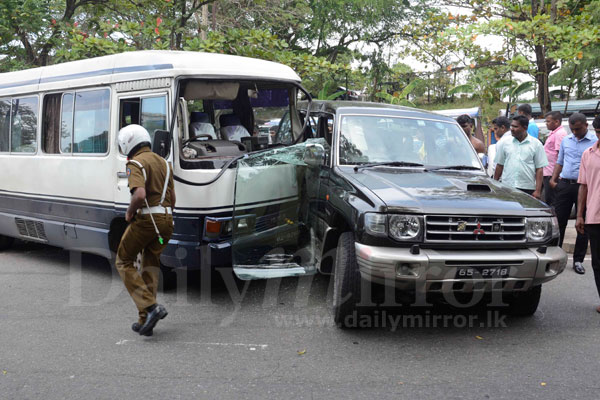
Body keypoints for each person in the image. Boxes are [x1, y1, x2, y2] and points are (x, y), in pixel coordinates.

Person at [116, 124, 176, 336]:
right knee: (150, 262)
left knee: (123, 260)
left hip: (147, 221)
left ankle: (150, 307)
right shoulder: (164, 163)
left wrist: (130, 212)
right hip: (167, 222)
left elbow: (139, 194)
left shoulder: (135, 163)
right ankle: (145, 320)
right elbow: (173, 199)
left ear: (127, 144)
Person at [550, 113, 598, 274]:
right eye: (572, 129)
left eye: (577, 129)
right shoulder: (566, 140)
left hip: (584, 187)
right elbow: (560, 161)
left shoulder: (594, 142)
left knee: (582, 224)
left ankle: (578, 260)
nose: (575, 132)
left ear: (586, 125)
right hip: (565, 184)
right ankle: (556, 257)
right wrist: (554, 179)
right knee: (559, 222)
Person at [575, 115, 600, 312]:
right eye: (598, 133)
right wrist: (580, 215)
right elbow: (583, 185)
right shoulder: (588, 154)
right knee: (598, 263)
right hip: (594, 215)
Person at [493, 115, 548, 198]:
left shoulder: (536, 144)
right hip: (507, 187)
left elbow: (539, 169)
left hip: (527, 188)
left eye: (515, 126)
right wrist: (494, 185)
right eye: (511, 126)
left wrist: (538, 191)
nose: (512, 129)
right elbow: (499, 165)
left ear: (525, 128)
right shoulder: (504, 143)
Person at [542, 111, 568, 206]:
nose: (546, 123)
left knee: (552, 201)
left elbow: (560, 155)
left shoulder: (559, 134)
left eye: (548, 121)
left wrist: (555, 176)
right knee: (548, 199)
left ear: (556, 122)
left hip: (552, 173)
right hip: (548, 171)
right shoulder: (554, 133)